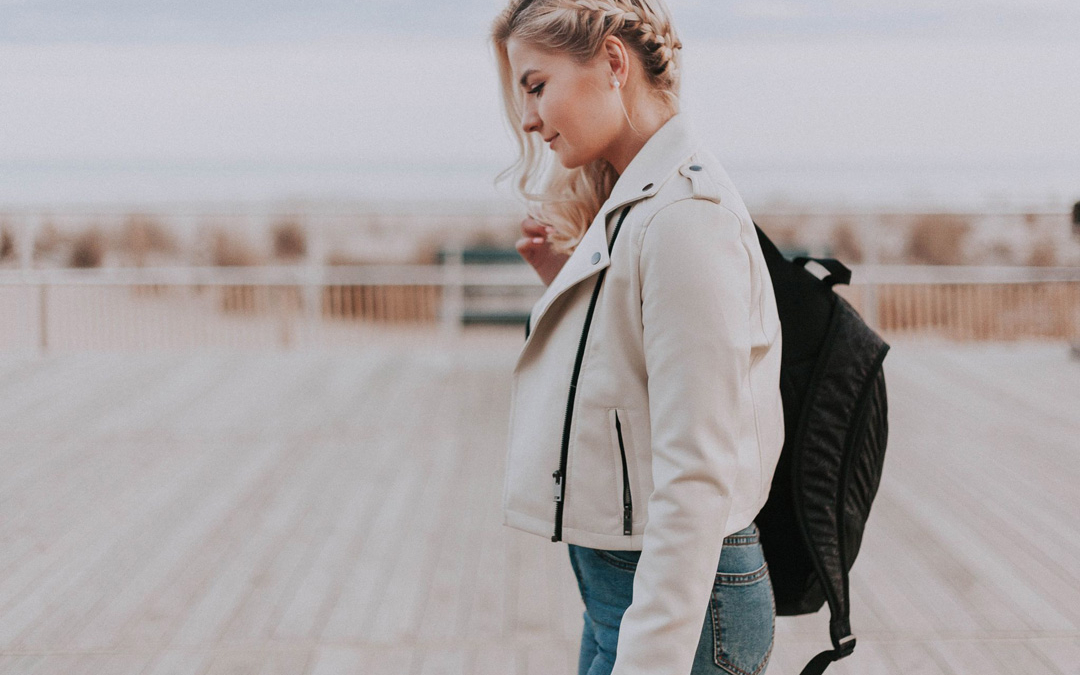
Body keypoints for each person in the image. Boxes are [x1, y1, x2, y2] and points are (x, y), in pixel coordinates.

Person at [490, 2, 785, 674]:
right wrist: (570, 282)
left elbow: (696, 472)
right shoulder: (642, 198)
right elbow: (636, 370)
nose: (530, 120)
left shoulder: (683, 216)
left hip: (678, 610)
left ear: (613, 63)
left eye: (536, 86)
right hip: (629, 597)